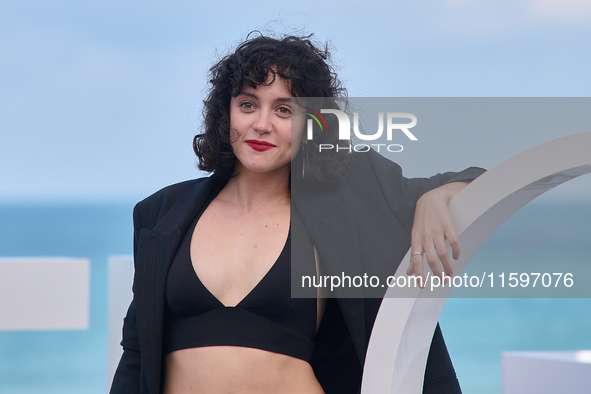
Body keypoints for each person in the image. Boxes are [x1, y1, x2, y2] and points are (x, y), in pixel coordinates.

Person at [110, 33, 485, 394]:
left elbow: (480, 180)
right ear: (226, 115)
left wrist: (436, 198)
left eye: (284, 110)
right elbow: (137, 354)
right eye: (247, 104)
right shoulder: (161, 214)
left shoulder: (350, 197)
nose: (261, 124)